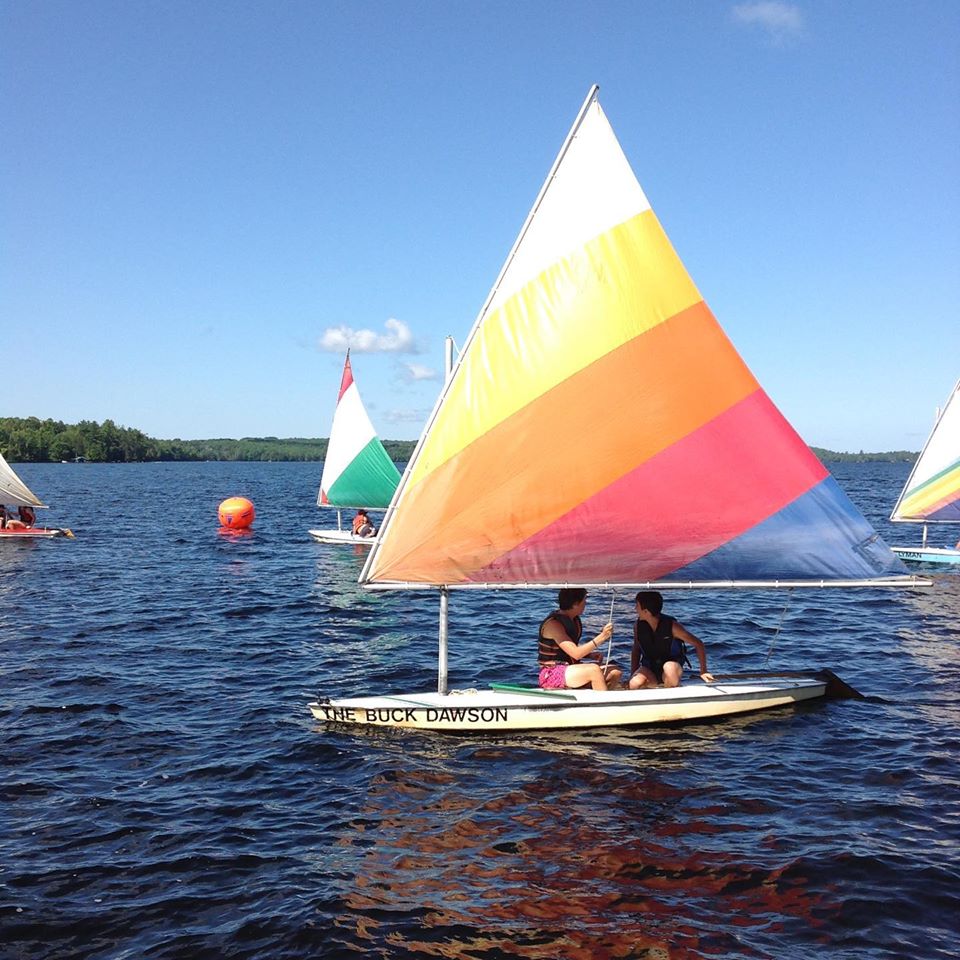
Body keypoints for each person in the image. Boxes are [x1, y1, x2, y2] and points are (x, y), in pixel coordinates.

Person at [537, 588, 622, 691]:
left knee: (615, 672)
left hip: (570, 668)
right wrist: (602, 636)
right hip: (551, 673)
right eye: (584, 600)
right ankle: (604, 704)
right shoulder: (553, 625)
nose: (586, 603)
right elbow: (576, 654)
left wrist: (589, 655)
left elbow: (568, 649)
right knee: (593, 670)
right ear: (575, 604)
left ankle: (596, 695)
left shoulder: (574, 619)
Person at [628, 590, 714, 689]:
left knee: (669, 668)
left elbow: (698, 644)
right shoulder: (637, 626)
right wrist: (632, 673)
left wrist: (703, 671)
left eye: (637, 606)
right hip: (650, 668)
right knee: (635, 682)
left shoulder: (673, 627)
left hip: (671, 668)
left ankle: (668, 693)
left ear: (646, 611)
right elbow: (636, 649)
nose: (635, 609)